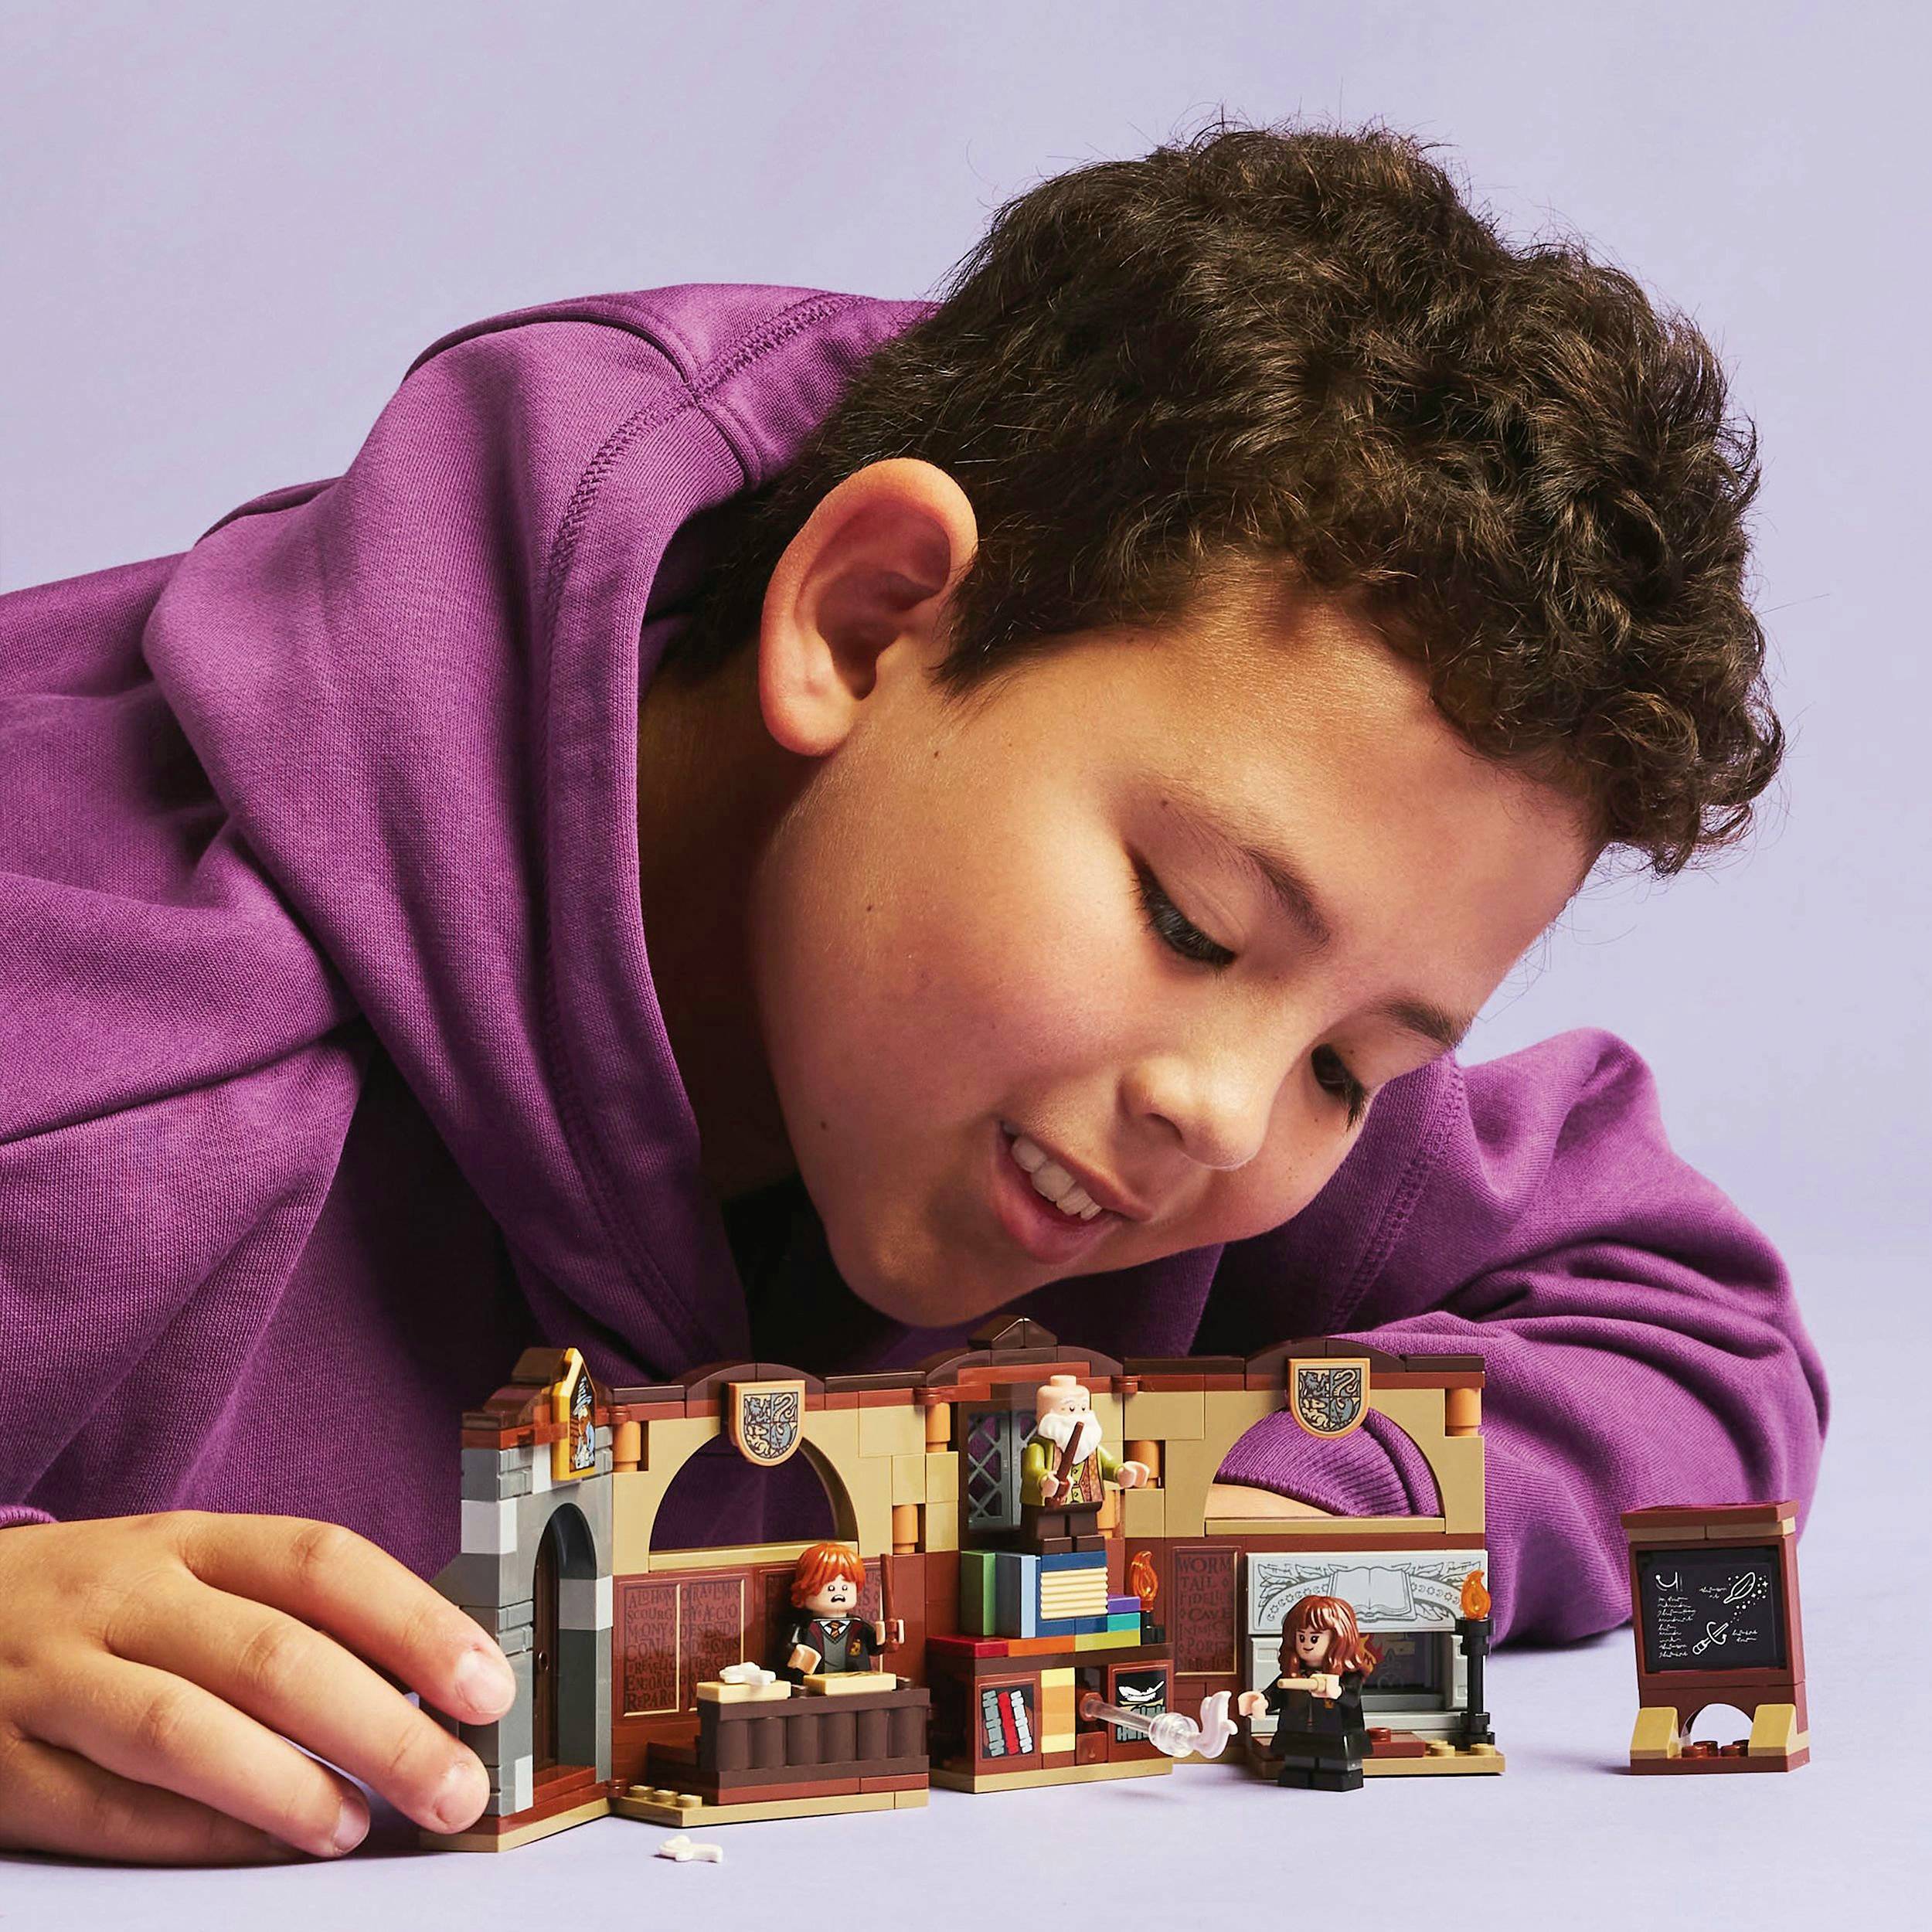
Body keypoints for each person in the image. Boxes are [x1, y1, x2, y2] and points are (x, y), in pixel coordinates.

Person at [0, 123, 1823, 1866]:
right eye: (1188, 922)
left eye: (1355, 1065)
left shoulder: (1180, 1054)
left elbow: (1683, 1321)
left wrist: (1278, 1523)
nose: (1226, 1113)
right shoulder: (128, 1050)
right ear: (866, 619)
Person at [1236, 1594, 1378, 1791]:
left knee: (1336, 1769)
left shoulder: (1347, 1676)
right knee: (1297, 1766)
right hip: (1298, 1732)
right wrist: (1262, 1700)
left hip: (1335, 1733)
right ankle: (1299, 1774)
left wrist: (1336, 1690)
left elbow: (1352, 1697)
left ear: (1339, 1638)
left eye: (1314, 1638)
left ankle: (1339, 1776)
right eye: (1301, 1637)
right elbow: (1277, 1692)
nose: (1307, 1644)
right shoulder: (1293, 1675)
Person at [1019, 1374, 1149, 1551]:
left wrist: (1121, 1472)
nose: (1079, 1416)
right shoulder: (1039, 1447)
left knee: (1087, 1539)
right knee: (1049, 1541)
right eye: (1071, 1409)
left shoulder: (1090, 1447)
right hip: (1048, 1509)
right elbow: (1031, 1471)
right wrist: (1044, 1479)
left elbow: (1107, 1464)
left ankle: (1086, 1558)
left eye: (1083, 1408)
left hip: (1086, 1504)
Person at [779, 1541, 902, 1682]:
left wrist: (887, 1638)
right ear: (806, 1588)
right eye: (830, 1588)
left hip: (855, 1682)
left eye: (845, 1588)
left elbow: (874, 1647)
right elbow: (785, 1650)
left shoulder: (858, 1626)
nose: (839, 1594)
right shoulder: (805, 1628)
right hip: (815, 1684)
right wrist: (798, 1655)